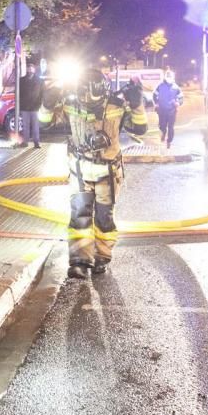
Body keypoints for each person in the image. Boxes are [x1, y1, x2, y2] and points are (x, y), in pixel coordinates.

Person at [63, 68, 148, 279]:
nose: (86, 98)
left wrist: (137, 105)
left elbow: (139, 130)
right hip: (80, 170)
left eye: (90, 93)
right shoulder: (70, 104)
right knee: (79, 217)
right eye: (83, 92)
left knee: (104, 218)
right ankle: (79, 261)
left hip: (107, 172)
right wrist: (47, 103)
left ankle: (102, 257)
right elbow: (45, 123)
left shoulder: (117, 106)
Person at [153, 69, 184, 149]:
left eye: (170, 77)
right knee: (162, 125)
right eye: (168, 76)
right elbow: (154, 94)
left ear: (173, 77)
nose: (169, 78)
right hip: (162, 110)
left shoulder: (176, 87)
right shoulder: (160, 86)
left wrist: (178, 103)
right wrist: (156, 103)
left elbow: (181, 97)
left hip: (172, 111)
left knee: (171, 127)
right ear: (165, 77)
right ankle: (163, 132)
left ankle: (169, 141)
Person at [17, 62, 45, 148]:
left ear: (34, 70)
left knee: (35, 125)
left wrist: (39, 104)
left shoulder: (39, 81)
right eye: (28, 68)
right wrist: (20, 105)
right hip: (25, 107)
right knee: (25, 125)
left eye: (31, 68)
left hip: (35, 107)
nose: (29, 70)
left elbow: (41, 94)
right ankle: (25, 142)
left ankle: (36, 142)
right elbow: (18, 93)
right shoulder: (21, 80)